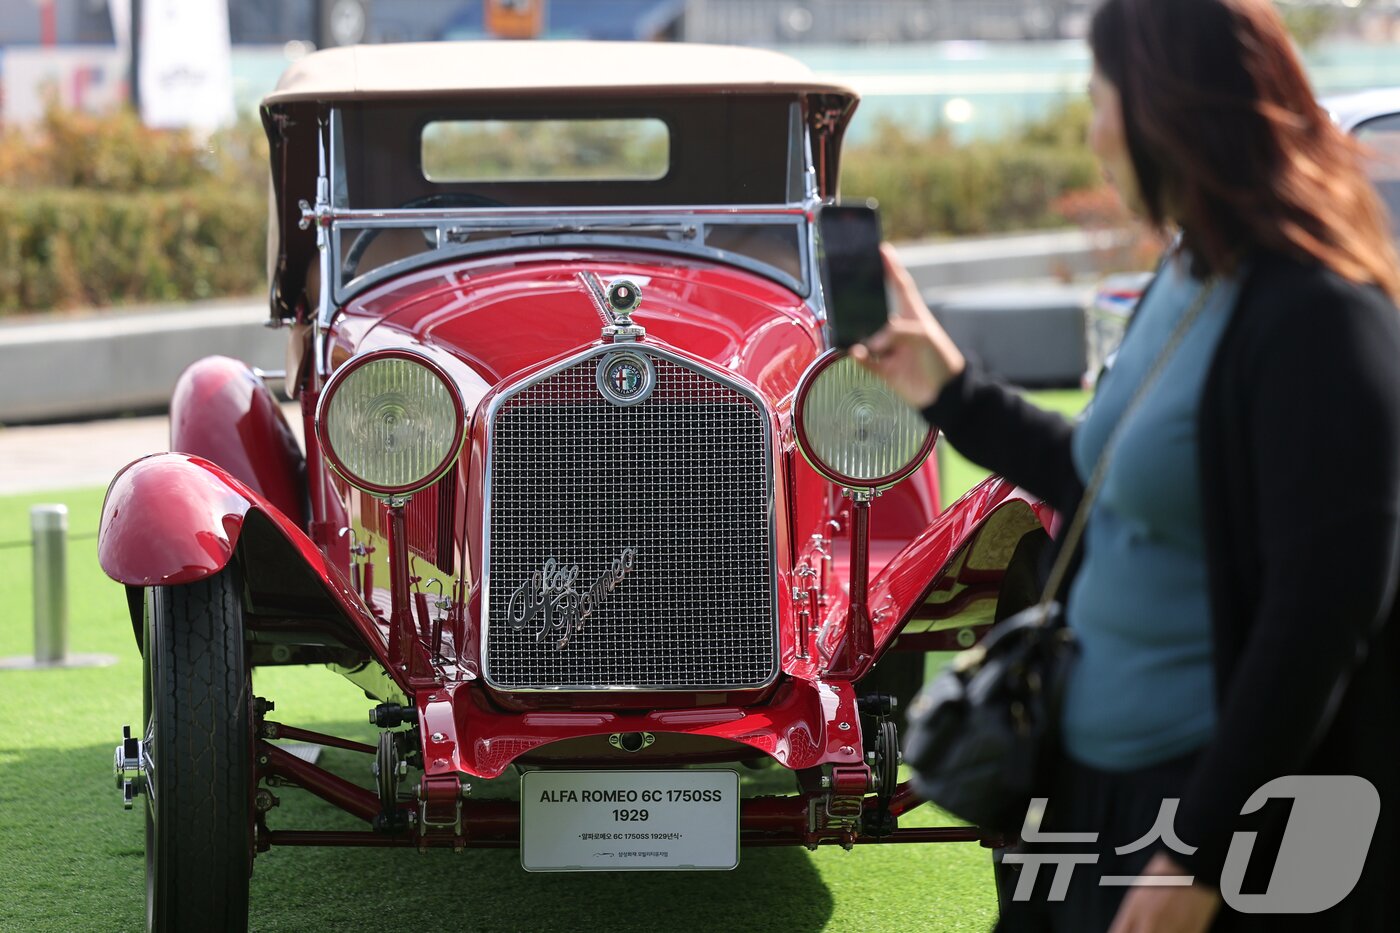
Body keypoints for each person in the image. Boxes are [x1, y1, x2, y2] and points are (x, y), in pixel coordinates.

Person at [854, 0, 1400, 930]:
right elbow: (1101, 480)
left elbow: (1321, 616)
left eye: (1099, 98)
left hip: (1200, 816)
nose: (1091, 129)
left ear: (1162, 111)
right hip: (1090, 788)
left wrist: (1198, 850)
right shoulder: (1190, 273)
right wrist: (946, 388)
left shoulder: (1318, 318)